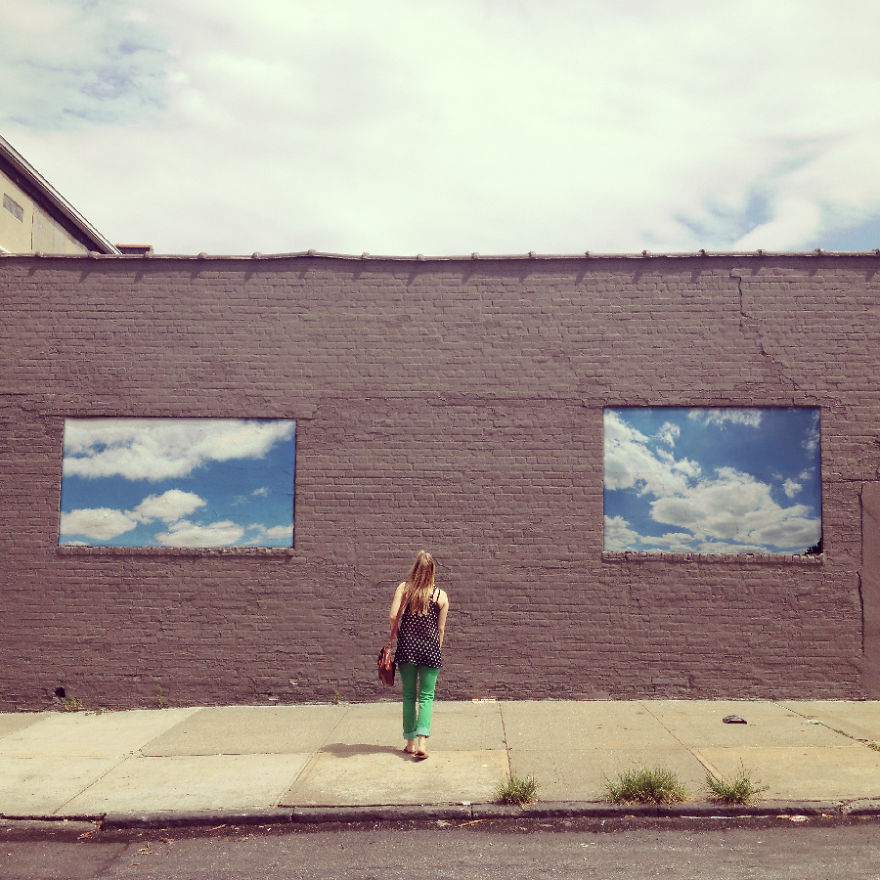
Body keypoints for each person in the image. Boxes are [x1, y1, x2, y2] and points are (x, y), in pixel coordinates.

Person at [388, 550, 449, 760]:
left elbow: (393, 616)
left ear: (414, 569)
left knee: (408, 696)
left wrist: (400, 636)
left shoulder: (404, 590)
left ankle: (410, 744)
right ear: (432, 571)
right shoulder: (441, 596)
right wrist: (436, 648)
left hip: (407, 649)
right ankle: (423, 742)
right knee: (426, 696)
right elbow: (440, 630)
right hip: (430, 649)